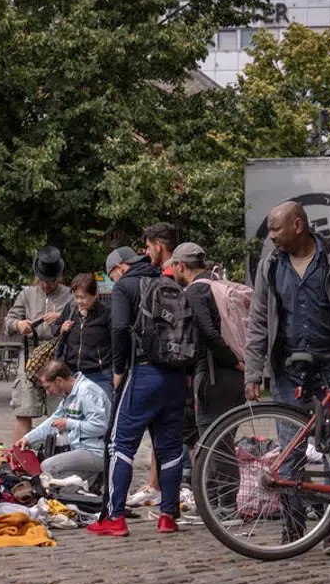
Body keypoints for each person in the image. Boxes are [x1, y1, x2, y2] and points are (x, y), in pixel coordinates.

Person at [245, 201, 330, 558]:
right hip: (289, 371)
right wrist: (253, 371)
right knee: (289, 454)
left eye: (276, 230)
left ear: (299, 225)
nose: (271, 237)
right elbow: (258, 322)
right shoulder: (270, 266)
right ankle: (293, 530)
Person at [86, 226, 194, 537]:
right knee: (170, 447)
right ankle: (168, 516)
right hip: (174, 376)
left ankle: (115, 517)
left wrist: (119, 371)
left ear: (120, 269)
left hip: (141, 373)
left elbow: (119, 329)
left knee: (120, 445)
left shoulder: (126, 287)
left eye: (113, 275)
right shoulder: (168, 279)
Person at [174, 242, 245, 436]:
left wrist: (234, 362)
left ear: (180, 266)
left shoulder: (194, 292)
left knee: (213, 445)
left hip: (214, 377)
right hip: (235, 377)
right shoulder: (216, 285)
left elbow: (209, 333)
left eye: (173, 266)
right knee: (225, 443)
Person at [6, 247, 72, 441]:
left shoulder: (69, 295)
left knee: (59, 411)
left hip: (58, 358)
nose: (46, 285)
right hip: (29, 359)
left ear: (58, 277)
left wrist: (61, 317)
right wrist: (18, 324)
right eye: (42, 281)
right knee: (24, 409)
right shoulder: (26, 294)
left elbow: (81, 319)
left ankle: (57, 457)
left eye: (50, 281)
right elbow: (8, 322)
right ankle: (20, 460)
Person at [14, 360, 111, 481]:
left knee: (48, 467)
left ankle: (93, 478)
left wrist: (68, 424)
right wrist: (27, 438)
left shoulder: (87, 392)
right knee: (43, 456)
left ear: (59, 381)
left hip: (97, 453)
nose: (48, 392)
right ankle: (89, 480)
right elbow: (53, 422)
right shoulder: (68, 395)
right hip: (80, 449)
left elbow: (101, 427)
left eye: (48, 387)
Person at [55, 273, 113, 403]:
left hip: (99, 374)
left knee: (102, 412)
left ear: (95, 295)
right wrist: (61, 328)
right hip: (72, 372)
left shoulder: (106, 313)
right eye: (76, 297)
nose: (79, 301)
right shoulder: (70, 308)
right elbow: (55, 328)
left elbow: (115, 342)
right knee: (74, 414)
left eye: (83, 297)